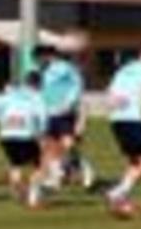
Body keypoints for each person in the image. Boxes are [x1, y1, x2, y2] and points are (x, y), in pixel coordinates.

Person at [104, 44, 141, 219]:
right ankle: (117, 193)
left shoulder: (122, 71)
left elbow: (109, 96)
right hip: (133, 119)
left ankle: (123, 203)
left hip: (117, 121)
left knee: (135, 163)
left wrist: (116, 108)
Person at [35, 45, 95, 191]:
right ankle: (56, 177)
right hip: (48, 113)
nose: (38, 61)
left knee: (68, 144)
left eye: (39, 58)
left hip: (64, 112)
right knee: (50, 146)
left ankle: (85, 167)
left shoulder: (65, 67)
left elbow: (78, 84)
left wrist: (69, 103)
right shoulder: (43, 71)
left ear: (48, 55)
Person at [0, 70, 49, 208]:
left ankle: (17, 187)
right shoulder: (36, 96)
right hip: (26, 133)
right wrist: (43, 133)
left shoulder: (10, 94)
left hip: (7, 134)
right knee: (39, 165)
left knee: (15, 164)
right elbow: (43, 116)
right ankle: (33, 197)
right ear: (38, 84)